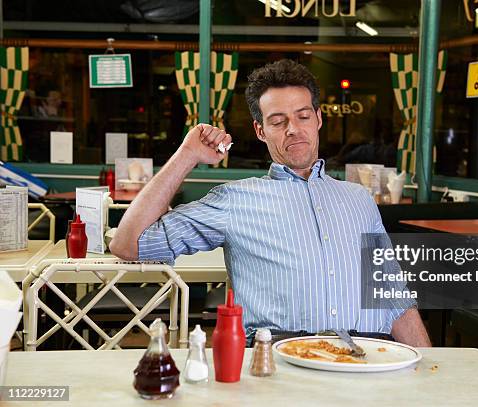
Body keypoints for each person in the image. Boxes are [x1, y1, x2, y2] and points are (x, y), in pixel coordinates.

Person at [110, 59, 430, 347]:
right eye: (278, 121)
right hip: (279, 363)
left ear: (318, 118)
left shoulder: (359, 199)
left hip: (369, 360)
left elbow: (393, 298)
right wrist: (187, 155)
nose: (293, 129)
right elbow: (129, 243)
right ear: (260, 131)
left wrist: (430, 372)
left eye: (303, 116)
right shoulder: (234, 200)